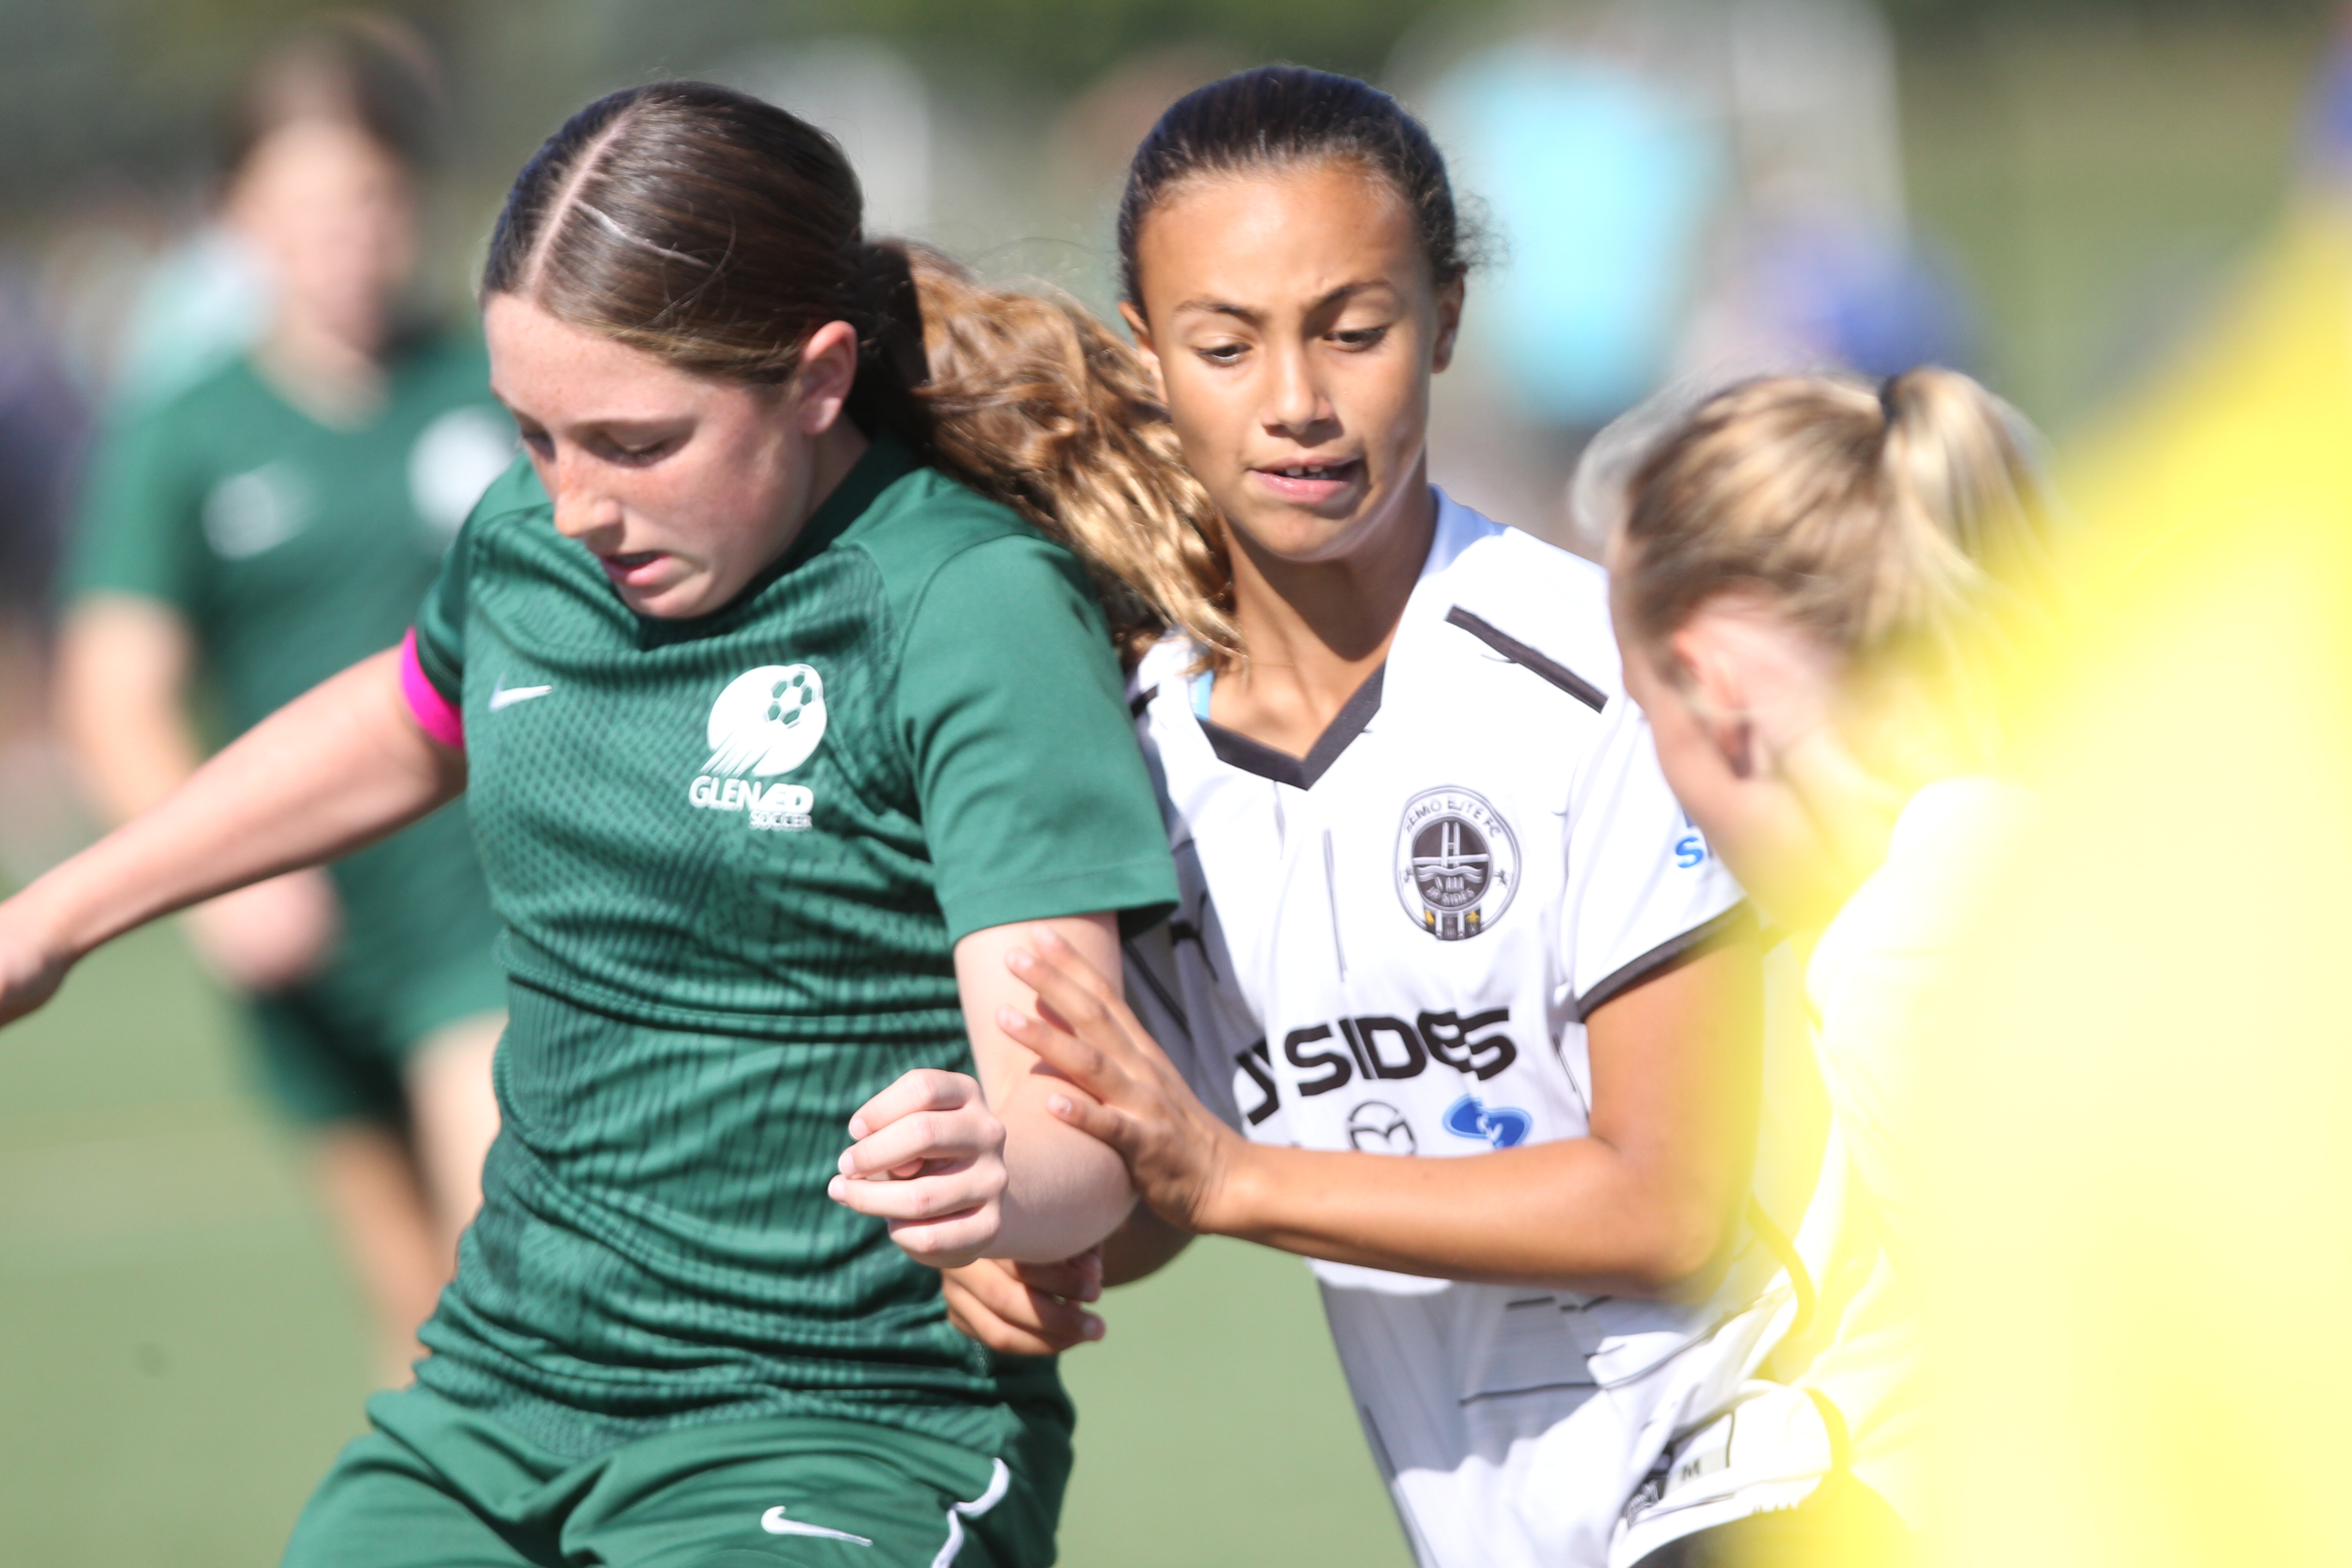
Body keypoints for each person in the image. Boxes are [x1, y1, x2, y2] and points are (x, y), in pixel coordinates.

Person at [4, 79, 1202, 1566]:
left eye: (636, 443)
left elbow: (1083, 1127)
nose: (575, 506)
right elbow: (406, 719)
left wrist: (998, 1176)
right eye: (534, 435)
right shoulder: (533, 544)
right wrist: (51, 921)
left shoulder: (967, 608)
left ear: (820, 379)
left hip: (841, 1428)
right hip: (495, 1409)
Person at [943, 67, 1790, 1568]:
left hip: (1778, 1465)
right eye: (1226, 344)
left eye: (1354, 329)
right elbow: (1156, 1178)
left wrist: (1234, 1181)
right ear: (1148, 355)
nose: (1296, 402)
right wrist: (1028, 1231)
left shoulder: (1605, 675)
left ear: (1446, 320)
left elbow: (1670, 1202)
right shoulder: (1134, 756)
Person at [56, 16, 514, 1380]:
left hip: (485, 904)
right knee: (419, 1325)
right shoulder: (186, 429)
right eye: (307, 208)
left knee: (504, 1276)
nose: (345, 238)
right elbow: (114, 683)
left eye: (371, 199)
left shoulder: (496, 387)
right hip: (307, 933)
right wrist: (220, 881)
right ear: (238, 217)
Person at [1589, 366, 2050, 1564]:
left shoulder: (1906, 955)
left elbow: (2098, 1399)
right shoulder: (2038, 837)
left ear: (1718, 691)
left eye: (1646, 714)